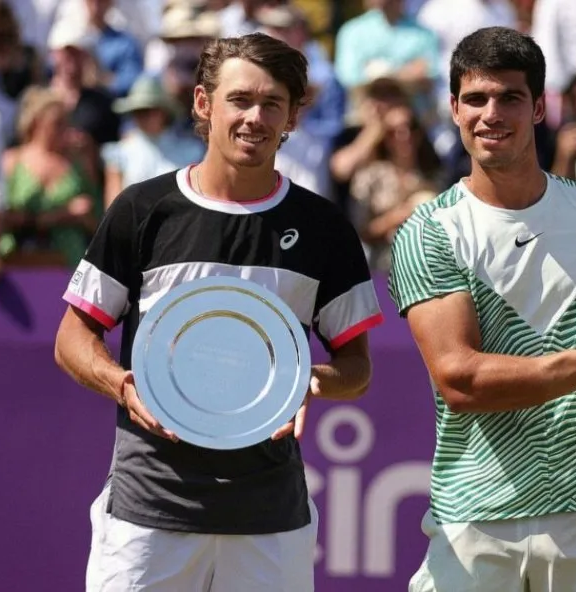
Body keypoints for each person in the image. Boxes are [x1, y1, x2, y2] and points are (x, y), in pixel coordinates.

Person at [53, 33, 383, 591]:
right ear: (204, 103)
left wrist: (310, 381)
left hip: (271, 521)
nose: (255, 117)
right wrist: (120, 383)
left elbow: (358, 367)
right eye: (240, 100)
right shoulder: (142, 209)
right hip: (146, 514)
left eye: (272, 103)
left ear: (293, 117)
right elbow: (71, 337)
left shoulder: (325, 228)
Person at [388, 26, 576, 592]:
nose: (491, 114)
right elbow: (461, 380)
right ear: (454, 109)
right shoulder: (430, 230)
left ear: (538, 108)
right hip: (475, 518)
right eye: (476, 99)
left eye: (509, 97)